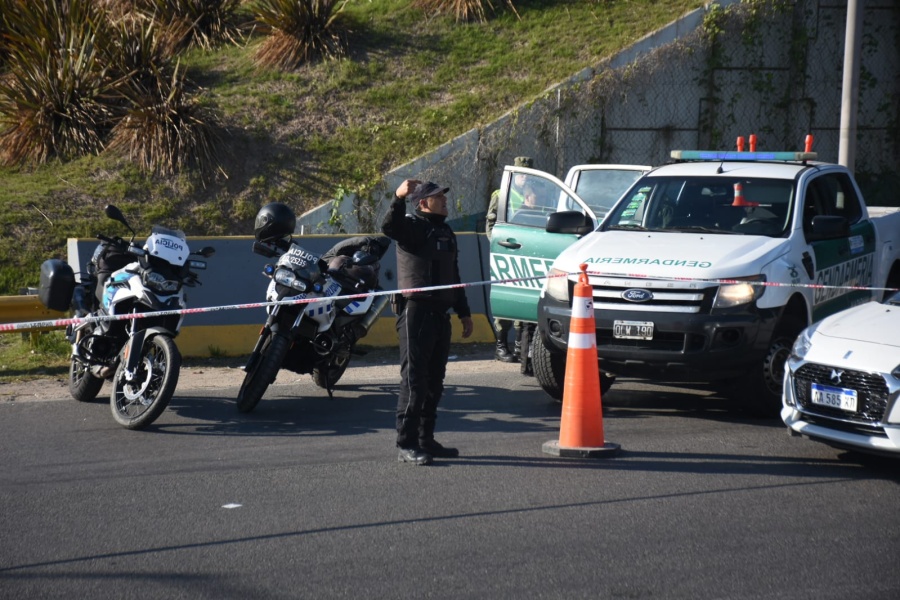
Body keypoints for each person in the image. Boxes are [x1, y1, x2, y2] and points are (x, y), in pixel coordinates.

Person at [382, 179, 474, 466]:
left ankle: (425, 439)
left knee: (435, 382)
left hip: (440, 314)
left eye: (443, 196)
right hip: (416, 312)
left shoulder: (445, 231)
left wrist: (464, 311)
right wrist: (397, 197)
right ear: (422, 202)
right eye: (437, 197)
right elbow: (389, 228)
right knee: (415, 381)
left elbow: (453, 274)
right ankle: (405, 444)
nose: (445, 200)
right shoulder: (412, 226)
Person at [485, 155, 533, 364]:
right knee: (505, 298)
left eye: (526, 174)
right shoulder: (501, 194)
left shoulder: (535, 194)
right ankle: (501, 345)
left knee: (522, 297)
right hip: (507, 252)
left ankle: (520, 345)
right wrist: (499, 247)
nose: (523, 178)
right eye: (520, 173)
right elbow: (490, 225)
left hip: (527, 253)